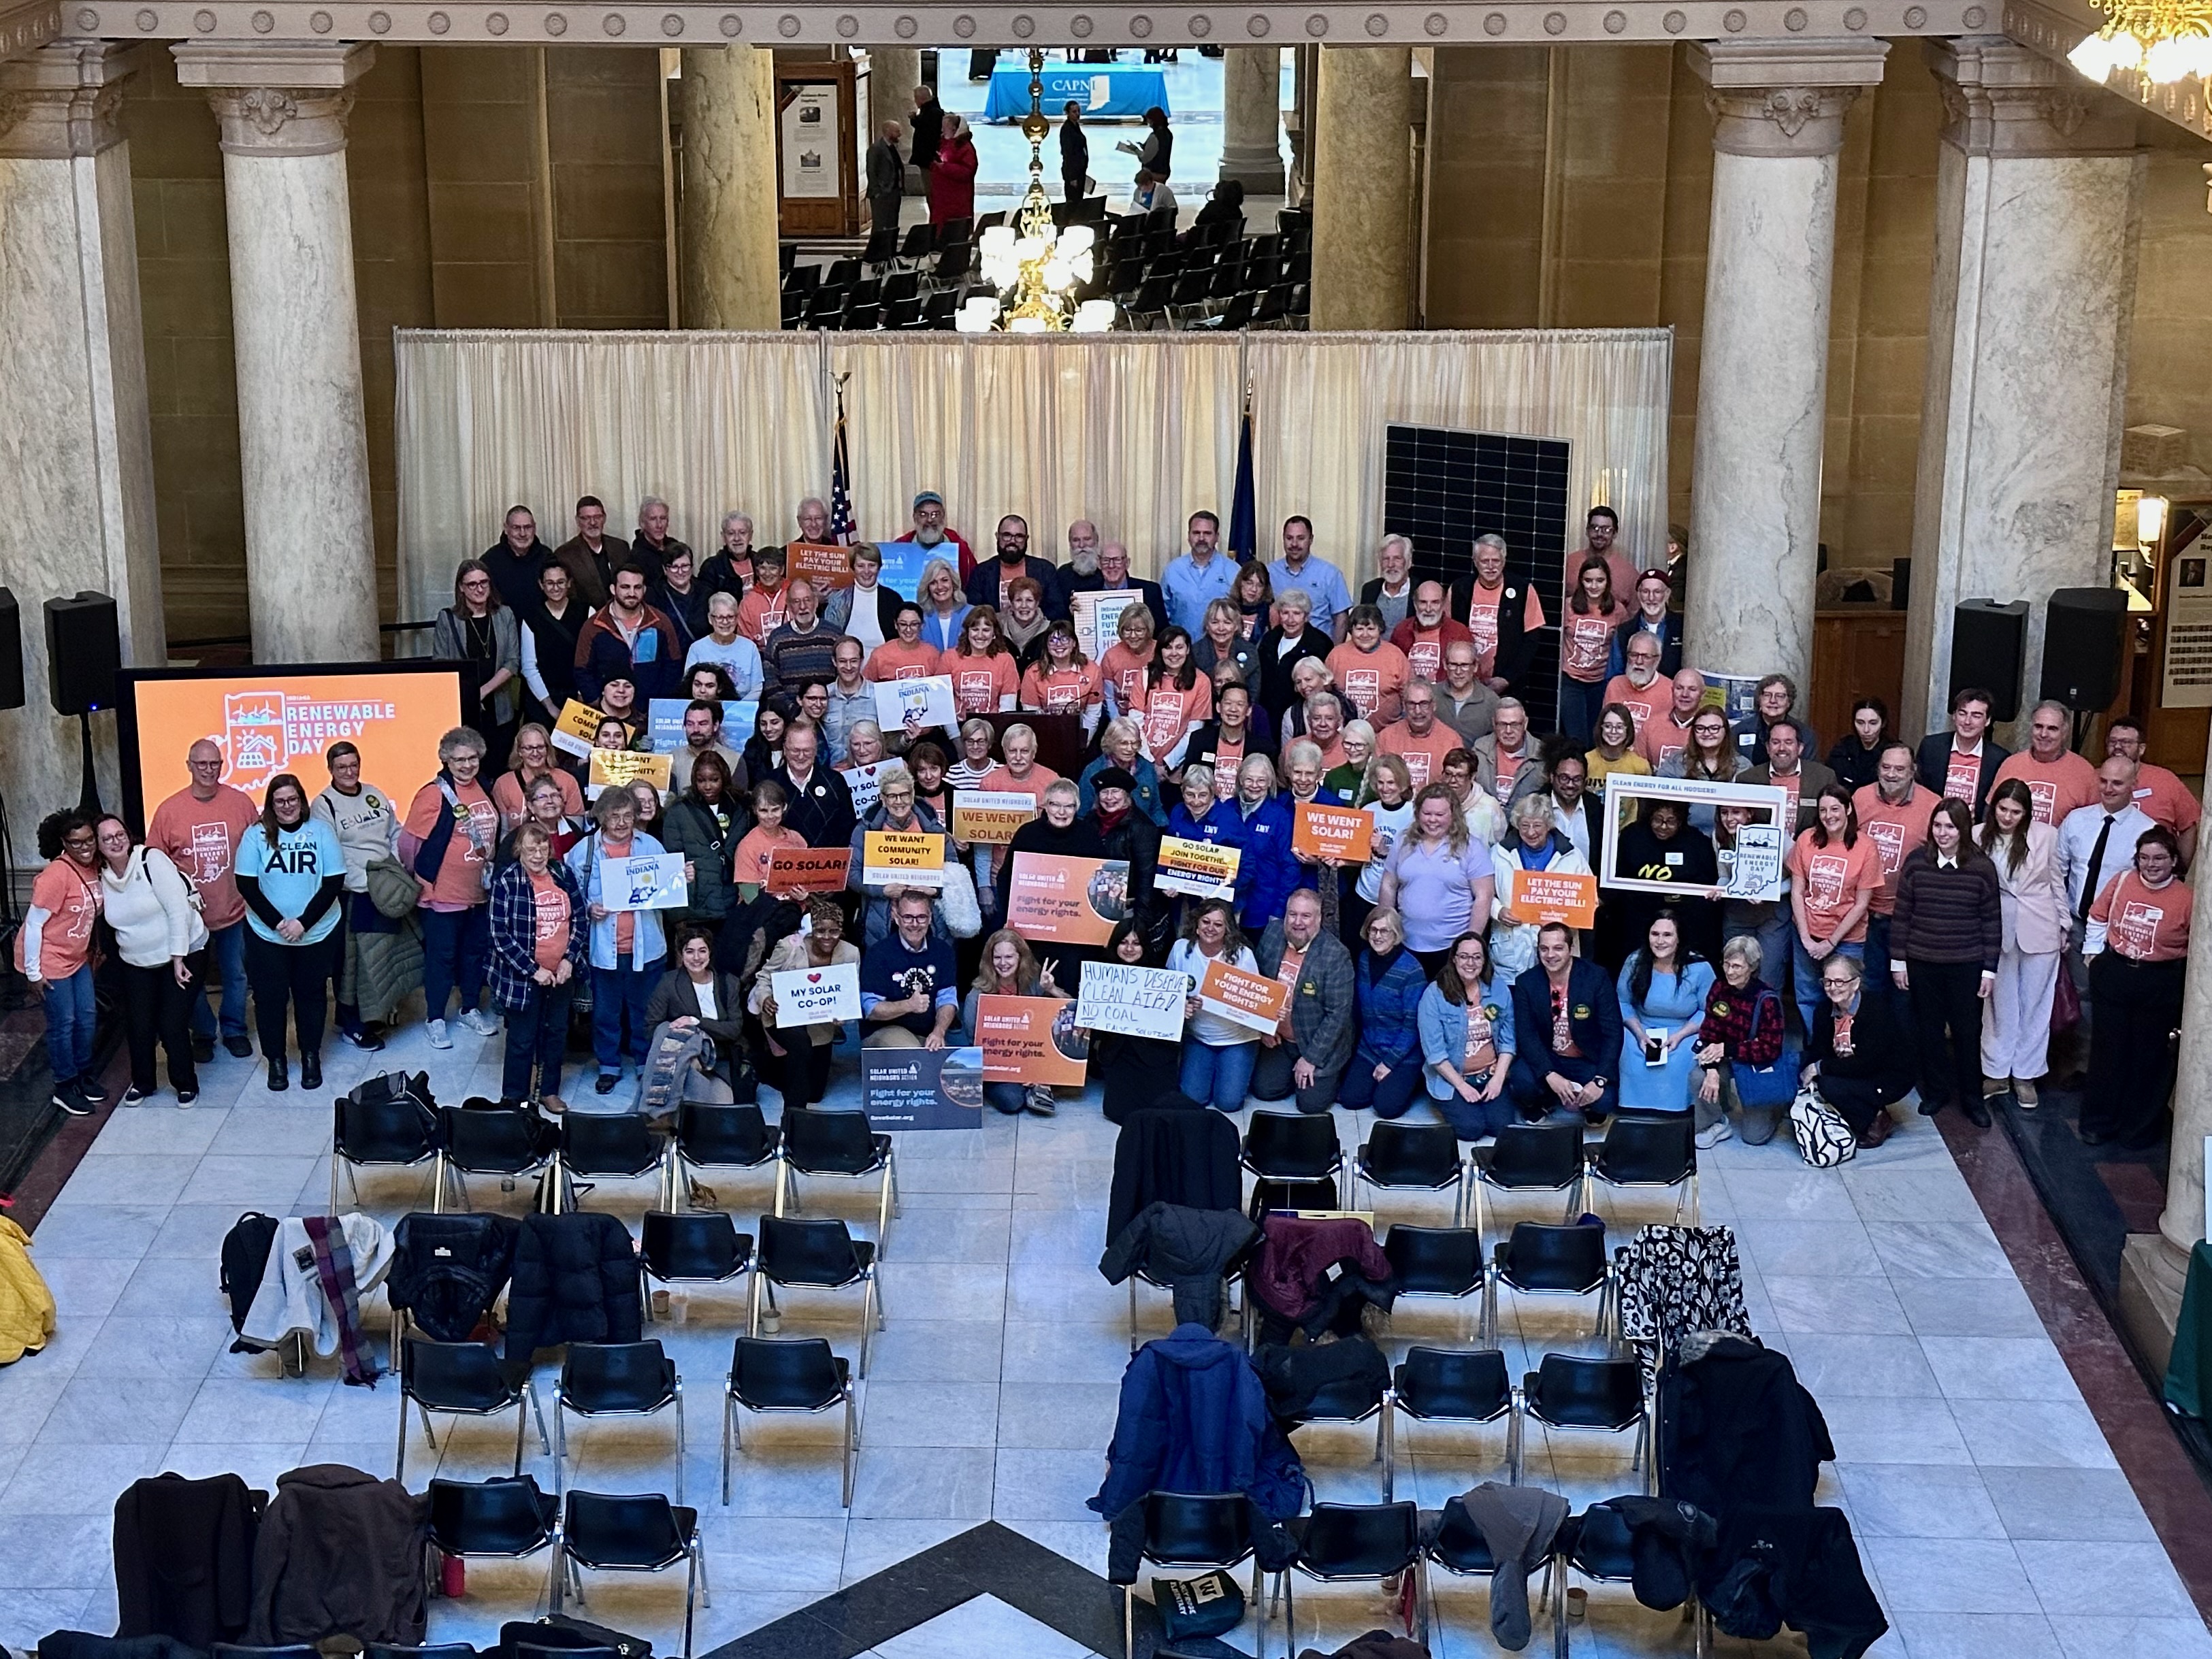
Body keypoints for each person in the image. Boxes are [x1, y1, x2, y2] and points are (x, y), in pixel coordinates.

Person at [1890, 799, 2003, 1126]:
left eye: (1950, 827)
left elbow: (1992, 921)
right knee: (1929, 1031)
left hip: (1966, 964)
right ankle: (1937, 1092)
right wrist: (1899, 962)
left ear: (1963, 830)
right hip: (1923, 961)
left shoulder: (1982, 867)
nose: (1943, 833)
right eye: (1938, 826)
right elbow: (1902, 915)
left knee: (1968, 1033)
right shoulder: (1916, 863)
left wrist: (1989, 968)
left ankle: (1972, 1098)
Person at [149, 740, 261, 1060]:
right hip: (188, 918)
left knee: (236, 975)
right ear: (189, 765)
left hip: (235, 909)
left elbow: (258, 850)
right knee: (191, 981)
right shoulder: (169, 811)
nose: (209, 770)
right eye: (202, 764)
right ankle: (203, 1033)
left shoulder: (241, 803)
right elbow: (154, 862)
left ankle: (235, 1030)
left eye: (215, 764)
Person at [235, 774, 346, 1093]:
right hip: (267, 935)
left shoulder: (321, 832)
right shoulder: (256, 836)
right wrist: (279, 924)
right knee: (270, 999)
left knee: (311, 996)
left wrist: (302, 924)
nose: (287, 806)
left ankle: (311, 1056)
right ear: (271, 804)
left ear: (302, 800)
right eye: (280, 801)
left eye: (292, 800)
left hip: (316, 933)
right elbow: (246, 885)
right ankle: (276, 1061)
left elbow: (333, 882)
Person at [2082, 825, 2192, 1145]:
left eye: (2159, 858)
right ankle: (2099, 1123)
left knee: (2149, 1057)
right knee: (2107, 1053)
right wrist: (2092, 955)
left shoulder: (2187, 900)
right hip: (2116, 974)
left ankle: (2137, 1131)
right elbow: (2097, 915)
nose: (2151, 864)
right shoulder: (2121, 883)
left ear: (2174, 860)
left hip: (2160, 982)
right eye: (2144, 857)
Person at [95, 815, 205, 1108]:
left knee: (172, 1023)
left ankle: (185, 1083)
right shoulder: (100, 877)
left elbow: (178, 911)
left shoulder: (151, 860)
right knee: (138, 1025)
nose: (116, 842)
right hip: (135, 961)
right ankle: (143, 1083)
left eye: (120, 834)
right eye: (107, 838)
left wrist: (179, 958)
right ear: (98, 846)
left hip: (182, 954)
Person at [401, 727, 502, 1047]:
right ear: (445, 759)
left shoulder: (485, 787)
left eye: (472, 758)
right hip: (442, 894)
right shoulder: (433, 793)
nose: (467, 765)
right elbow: (409, 844)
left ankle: (469, 1008)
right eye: (459, 759)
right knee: (441, 959)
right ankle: (435, 1018)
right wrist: (423, 882)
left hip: (479, 892)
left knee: (474, 954)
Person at [567, 786, 671, 1094]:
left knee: (644, 1011)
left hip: (647, 947)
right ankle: (609, 1066)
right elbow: (571, 898)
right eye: (615, 816)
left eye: (628, 815)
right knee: (605, 1013)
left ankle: (644, 1063)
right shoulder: (583, 851)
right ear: (601, 817)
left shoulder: (650, 845)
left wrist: (678, 879)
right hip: (604, 949)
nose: (623, 822)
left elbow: (668, 893)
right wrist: (589, 908)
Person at [487, 821, 587, 1108]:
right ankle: (515, 1097)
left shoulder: (563, 874)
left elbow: (580, 919)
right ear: (520, 850)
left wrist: (569, 959)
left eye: (543, 848)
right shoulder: (507, 882)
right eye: (531, 848)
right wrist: (534, 970)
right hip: (522, 977)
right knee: (522, 1038)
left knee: (556, 1034)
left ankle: (548, 1091)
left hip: (561, 975)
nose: (538, 854)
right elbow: (499, 935)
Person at [1978, 778, 2066, 1108]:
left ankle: (2025, 1075)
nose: (2008, 816)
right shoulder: (1977, 836)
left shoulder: (2046, 836)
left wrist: (2064, 925)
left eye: (2016, 811)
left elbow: (2057, 881)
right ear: (1994, 806)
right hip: (1995, 929)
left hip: (2040, 925)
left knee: (2035, 1005)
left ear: (2027, 813)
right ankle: (1997, 1072)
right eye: (2003, 808)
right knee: (1999, 1005)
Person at [312, 739, 404, 1051]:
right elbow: (331, 852)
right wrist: (364, 882)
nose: (349, 772)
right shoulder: (324, 804)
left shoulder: (375, 794)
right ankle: (351, 1022)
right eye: (341, 768)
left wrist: (393, 871)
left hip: (384, 887)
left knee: (382, 958)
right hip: (354, 893)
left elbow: (395, 833)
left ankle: (376, 1013)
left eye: (353, 765)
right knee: (353, 963)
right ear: (330, 770)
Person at [17, 812, 104, 1115]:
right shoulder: (56, 875)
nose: (85, 847)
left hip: (76, 957)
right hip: (49, 958)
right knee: (63, 1023)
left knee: (88, 1016)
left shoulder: (95, 867)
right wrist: (33, 972)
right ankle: (65, 1086)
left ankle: (83, 1075)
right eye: (75, 843)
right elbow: (34, 925)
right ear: (63, 844)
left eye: (90, 840)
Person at [1785, 786, 1883, 1038]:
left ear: (1849, 809)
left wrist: (1831, 942)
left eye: (1835, 809)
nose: (1829, 816)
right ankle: (1815, 1050)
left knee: (1844, 997)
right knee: (1808, 996)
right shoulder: (1807, 839)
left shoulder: (1866, 847)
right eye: (1823, 810)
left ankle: (1844, 1051)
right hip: (1806, 934)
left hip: (1847, 940)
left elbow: (1862, 903)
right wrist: (1807, 938)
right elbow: (1797, 892)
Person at [1250, 888, 1356, 1114]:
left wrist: (1310, 1059)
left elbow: (1338, 1015)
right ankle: (1290, 1071)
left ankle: (1329, 1074)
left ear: (1318, 919)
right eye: (1293, 914)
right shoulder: (1271, 934)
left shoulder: (1336, 955)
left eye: (1306, 916)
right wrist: (1264, 1028)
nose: (1298, 922)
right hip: (1279, 1038)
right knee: (1264, 1090)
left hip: (1316, 1040)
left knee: (1310, 1105)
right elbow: (1258, 984)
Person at [751, 898, 861, 1107]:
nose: (827, 937)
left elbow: (849, 992)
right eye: (820, 931)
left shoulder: (850, 953)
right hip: (783, 1018)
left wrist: (844, 1015)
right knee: (801, 1046)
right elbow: (764, 977)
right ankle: (794, 1113)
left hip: (821, 1026)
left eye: (834, 931)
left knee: (815, 1093)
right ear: (812, 930)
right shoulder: (789, 946)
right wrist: (765, 998)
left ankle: (762, 1066)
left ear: (841, 931)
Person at [1508, 921, 1621, 1123]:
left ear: (1571, 949)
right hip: (1549, 1056)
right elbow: (1527, 1035)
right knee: (1522, 1082)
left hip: (1585, 1058)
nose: (1550, 955)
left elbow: (1613, 1032)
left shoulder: (1596, 977)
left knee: (1606, 1101)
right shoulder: (1526, 982)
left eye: (1558, 948)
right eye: (1544, 949)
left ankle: (1584, 1102)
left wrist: (1600, 1079)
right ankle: (1547, 1100)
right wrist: (1549, 1074)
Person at [1377, 783, 1495, 974]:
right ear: (1418, 813)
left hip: (1450, 948)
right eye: (1427, 813)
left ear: (1453, 815)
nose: (1432, 820)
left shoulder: (1472, 847)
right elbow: (1389, 884)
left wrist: (1470, 943)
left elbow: (1484, 896)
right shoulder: (1403, 841)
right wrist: (1386, 928)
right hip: (1405, 943)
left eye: (1440, 815)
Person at [1801, 953, 1914, 1148]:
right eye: (1828, 982)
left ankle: (1877, 1119)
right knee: (1813, 1073)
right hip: (1853, 1068)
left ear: (1855, 983)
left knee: (1829, 1084)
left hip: (1887, 1076)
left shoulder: (1876, 1009)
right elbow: (1820, 1050)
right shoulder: (1823, 1010)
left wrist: (1819, 1068)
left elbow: (1869, 1063)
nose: (1833, 988)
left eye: (1840, 982)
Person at [1079, 918, 1184, 1123]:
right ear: (1115, 944)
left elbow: (1171, 1023)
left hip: (1155, 1054)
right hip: (1118, 1053)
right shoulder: (1101, 974)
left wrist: (1184, 1009)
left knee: (1160, 1111)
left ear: (1144, 946)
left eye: (1136, 943)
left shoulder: (1161, 977)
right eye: (1124, 942)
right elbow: (1094, 1025)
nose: (1129, 949)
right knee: (1118, 1112)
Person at [1416, 930, 1518, 1139]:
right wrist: (1462, 1086)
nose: (1470, 963)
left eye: (1477, 957)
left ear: (1484, 960)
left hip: (1490, 1073)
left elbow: (1508, 1041)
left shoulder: (1498, 989)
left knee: (1502, 1129)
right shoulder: (1434, 995)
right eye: (1464, 956)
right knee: (1471, 1129)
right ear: (1454, 959)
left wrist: (1498, 1077)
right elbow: (1434, 1053)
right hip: (1451, 1078)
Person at [1167, 898, 1262, 1111]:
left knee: (1228, 1103)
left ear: (1228, 929)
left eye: (1218, 924)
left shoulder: (1243, 956)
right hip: (1198, 1037)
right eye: (1206, 922)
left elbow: (1256, 1004)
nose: (1211, 928)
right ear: (1197, 925)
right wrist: (1184, 1005)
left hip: (1237, 1038)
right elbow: (1169, 993)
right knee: (1193, 1100)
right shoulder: (1181, 949)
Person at [1691, 935, 1786, 1149]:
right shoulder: (1719, 988)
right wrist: (1712, 1069)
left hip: (1754, 1062)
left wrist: (1728, 1049)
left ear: (1752, 968)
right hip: (1724, 1056)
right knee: (1699, 1076)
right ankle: (1716, 1121)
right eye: (1727, 964)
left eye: (1737, 966)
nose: (1730, 971)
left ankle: (1776, 1108)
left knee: (1754, 1137)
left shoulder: (1767, 999)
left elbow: (1771, 1048)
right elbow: (1709, 1032)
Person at [1489, 790, 1593, 985]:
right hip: (1511, 949)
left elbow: (1589, 900)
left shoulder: (1571, 856)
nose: (1531, 832)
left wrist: (1568, 916)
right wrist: (1498, 911)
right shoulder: (1500, 853)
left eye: (1537, 826)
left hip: (1557, 950)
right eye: (1524, 826)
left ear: (1549, 826)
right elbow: (1483, 894)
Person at [1333, 907, 1427, 1119]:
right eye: (1373, 930)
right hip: (1370, 1047)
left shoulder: (1412, 971)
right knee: (1350, 1099)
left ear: (1396, 935)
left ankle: (1413, 1081)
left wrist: (1389, 1064)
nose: (1377, 936)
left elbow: (1412, 1026)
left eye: (1385, 931)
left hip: (1403, 1052)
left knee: (1386, 1108)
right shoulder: (1364, 959)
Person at [962, 929, 1068, 1115]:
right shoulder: (977, 995)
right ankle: (1033, 1088)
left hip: (1033, 1055)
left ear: (1021, 957)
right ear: (990, 960)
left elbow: (1070, 1012)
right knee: (1011, 1102)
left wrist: (1052, 989)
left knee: (1066, 1074)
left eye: (1009, 957)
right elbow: (973, 1042)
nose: (1003, 963)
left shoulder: (1034, 982)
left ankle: (1038, 1085)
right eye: (997, 958)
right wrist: (1016, 1072)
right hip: (997, 1064)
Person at [1616, 915, 1715, 1114]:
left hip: (1685, 1029)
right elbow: (1623, 1002)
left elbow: (1709, 1011)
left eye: (1667, 935)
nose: (1660, 941)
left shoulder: (1700, 967)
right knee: (1626, 1049)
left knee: (1683, 1056)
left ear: (1679, 939)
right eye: (1655, 934)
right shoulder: (1635, 962)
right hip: (1640, 1026)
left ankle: (1679, 1110)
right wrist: (1639, 1034)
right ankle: (1633, 1109)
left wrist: (1679, 1036)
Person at [1612, 798, 1721, 966]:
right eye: (1658, 820)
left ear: (1681, 821)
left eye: (1671, 822)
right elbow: (1618, 878)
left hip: (1685, 915)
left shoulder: (1698, 843)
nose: (1663, 827)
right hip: (1640, 915)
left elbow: (1709, 883)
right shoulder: (1632, 837)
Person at [646, 924, 750, 1089]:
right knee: (687, 1069)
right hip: (681, 1052)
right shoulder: (668, 983)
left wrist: (695, 1022)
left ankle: (657, 1110)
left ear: (710, 953)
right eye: (689, 951)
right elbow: (652, 1028)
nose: (696, 958)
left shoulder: (729, 983)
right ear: (681, 954)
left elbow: (734, 1029)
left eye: (702, 951)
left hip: (720, 1053)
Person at [862, 889, 962, 1049]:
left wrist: (939, 1031)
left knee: (945, 1065)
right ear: (896, 917)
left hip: (928, 1033)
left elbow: (947, 999)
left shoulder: (943, 951)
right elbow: (871, 1010)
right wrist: (909, 1005)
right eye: (908, 917)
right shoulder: (878, 953)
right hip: (885, 1030)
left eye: (921, 917)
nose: (915, 924)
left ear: (930, 918)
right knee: (911, 1052)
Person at [574, 563, 682, 703]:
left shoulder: (661, 622)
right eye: (625, 587)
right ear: (613, 589)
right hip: (608, 715)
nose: (632, 593)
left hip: (651, 710)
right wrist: (598, 703)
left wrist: (659, 703)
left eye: (637, 587)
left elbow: (674, 665)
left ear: (644, 590)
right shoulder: (594, 626)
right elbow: (582, 670)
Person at [1089, 766, 1167, 957]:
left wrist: (1139, 924)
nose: (1109, 797)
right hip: (1098, 906)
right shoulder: (1091, 821)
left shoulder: (1143, 827)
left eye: (1115, 792)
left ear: (1127, 795)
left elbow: (1146, 879)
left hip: (1129, 911)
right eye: (1104, 792)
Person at [662, 751, 743, 932]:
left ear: (724, 778)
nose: (708, 786)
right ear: (694, 780)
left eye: (714, 780)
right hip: (697, 905)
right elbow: (673, 863)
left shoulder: (741, 807)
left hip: (734, 899)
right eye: (701, 780)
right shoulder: (678, 812)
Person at [2105, 716, 2201, 862]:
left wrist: (2180, 870)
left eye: (2126, 742)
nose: (2118, 747)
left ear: (2141, 749)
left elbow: (2188, 826)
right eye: (2113, 742)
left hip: (2152, 870)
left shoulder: (2166, 780)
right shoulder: (2094, 778)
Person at [1343, 754, 1415, 947]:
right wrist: (1343, 861)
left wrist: (1386, 851)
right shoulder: (1369, 810)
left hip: (1399, 900)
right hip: (1364, 894)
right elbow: (1360, 856)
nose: (1385, 788)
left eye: (1391, 782)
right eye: (1381, 782)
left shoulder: (1414, 813)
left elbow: (1419, 860)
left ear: (1402, 783)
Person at [1992, 700, 2099, 828]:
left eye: (2052, 729)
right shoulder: (2011, 764)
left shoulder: (2085, 772)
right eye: (2039, 727)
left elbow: (2094, 823)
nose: (2043, 734)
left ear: (2064, 733)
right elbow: (1991, 812)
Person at [1557, 557, 1630, 741]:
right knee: (1576, 738)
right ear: (1581, 581)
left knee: (1598, 737)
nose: (1594, 586)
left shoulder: (1618, 610)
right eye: (1588, 580)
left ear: (1608, 581)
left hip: (1602, 682)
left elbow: (1623, 646)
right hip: (1571, 681)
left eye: (1600, 580)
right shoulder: (1567, 606)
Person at [1461, 533, 1544, 693]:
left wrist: (1508, 678)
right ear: (1475, 562)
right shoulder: (1460, 590)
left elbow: (1531, 641)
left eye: (1496, 561)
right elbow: (1450, 634)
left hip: (1508, 686)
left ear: (1504, 560)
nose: (1491, 566)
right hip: (1464, 684)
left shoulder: (1523, 590)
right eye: (1485, 561)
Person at [1915, 686, 2008, 816]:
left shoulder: (1999, 759)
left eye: (1976, 716)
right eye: (1962, 713)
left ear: (1987, 721)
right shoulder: (1931, 747)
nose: (1967, 721)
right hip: (1933, 823)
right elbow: (1918, 790)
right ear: (1954, 716)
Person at [520, 558, 590, 723]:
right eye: (550, 583)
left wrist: (580, 700)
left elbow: (590, 660)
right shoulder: (531, 617)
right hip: (541, 699)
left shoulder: (586, 611)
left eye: (561, 582)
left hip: (579, 696)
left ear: (569, 583)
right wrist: (550, 706)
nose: (555, 588)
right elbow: (529, 667)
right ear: (541, 585)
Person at [771, 721, 858, 851]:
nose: (801, 756)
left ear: (816, 749)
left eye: (807, 751)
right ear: (785, 749)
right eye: (795, 751)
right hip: (783, 864)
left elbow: (848, 827)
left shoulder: (835, 781)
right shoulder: (770, 782)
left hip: (828, 864)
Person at [1254, 588, 1332, 726]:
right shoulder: (1270, 639)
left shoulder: (1319, 644)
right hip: (1267, 714)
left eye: (1296, 613)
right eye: (1285, 613)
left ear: (1306, 617)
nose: (1290, 619)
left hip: (1300, 717)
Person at [1324, 604, 1409, 728]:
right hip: (1344, 735)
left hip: (1386, 735)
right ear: (1351, 630)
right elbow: (1325, 693)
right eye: (1359, 629)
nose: (1365, 635)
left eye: (1370, 629)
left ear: (1380, 629)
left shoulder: (1395, 655)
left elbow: (1408, 696)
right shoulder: (1336, 655)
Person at [1267, 516, 1352, 638]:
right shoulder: (1270, 572)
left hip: (1319, 651)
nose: (1294, 544)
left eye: (1301, 538)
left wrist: (1333, 655)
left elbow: (1342, 619)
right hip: (1278, 649)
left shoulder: (1330, 574)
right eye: (1289, 538)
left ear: (1311, 539)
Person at [1138, 627, 1211, 767]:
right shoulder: (1144, 676)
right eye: (1168, 648)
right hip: (1143, 761)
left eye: (1179, 647)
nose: (1174, 653)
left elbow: (1194, 731)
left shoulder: (1201, 681)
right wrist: (1150, 762)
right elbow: (1135, 724)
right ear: (1160, 651)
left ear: (1188, 649)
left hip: (1179, 765)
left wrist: (1167, 764)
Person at [491, 725, 585, 832]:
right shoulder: (504, 783)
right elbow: (504, 831)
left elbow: (575, 829)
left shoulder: (567, 781)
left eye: (540, 747)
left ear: (548, 749)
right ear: (519, 752)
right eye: (529, 748)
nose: (535, 753)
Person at [1063, 541, 1169, 636]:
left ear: (1127, 563)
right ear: (1099, 564)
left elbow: (1161, 633)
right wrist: (1074, 616)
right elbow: (1073, 635)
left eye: (1117, 560)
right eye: (1106, 560)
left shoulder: (1150, 592)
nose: (1111, 565)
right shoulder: (1085, 594)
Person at [760, 578, 843, 698]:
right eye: (796, 602)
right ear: (789, 606)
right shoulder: (777, 638)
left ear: (816, 602)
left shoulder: (834, 635)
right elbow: (771, 681)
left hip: (828, 710)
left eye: (807, 600)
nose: (803, 607)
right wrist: (790, 711)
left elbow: (843, 676)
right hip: (789, 714)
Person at [1162, 510, 1237, 638]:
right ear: (1189, 536)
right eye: (1196, 533)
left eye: (1207, 533)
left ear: (1217, 537)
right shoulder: (1173, 570)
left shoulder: (1233, 571)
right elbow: (1164, 615)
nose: (1201, 538)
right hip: (1182, 651)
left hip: (1221, 650)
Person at [1079, 717, 1167, 823]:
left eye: (1134, 743)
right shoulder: (1093, 771)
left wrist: (1162, 832)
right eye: (1124, 743)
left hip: (1142, 834)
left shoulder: (1147, 769)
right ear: (1110, 743)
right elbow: (1082, 814)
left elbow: (1155, 808)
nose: (1130, 749)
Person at [685, 591, 766, 702]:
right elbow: (690, 686)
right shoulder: (697, 649)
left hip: (742, 711)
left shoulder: (750, 648)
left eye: (730, 617)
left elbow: (757, 688)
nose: (725, 622)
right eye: (720, 617)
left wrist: (737, 709)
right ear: (710, 619)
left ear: (737, 618)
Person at [1606, 568, 1682, 678]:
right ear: (1639, 595)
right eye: (1646, 592)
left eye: (1657, 592)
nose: (1651, 598)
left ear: (1667, 594)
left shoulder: (1682, 628)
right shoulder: (1625, 631)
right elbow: (1614, 676)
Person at [552, 493, 627, 607]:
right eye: (586, 518)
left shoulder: (620, 547)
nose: (593, 523)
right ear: (577, 521)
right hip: (586, 619)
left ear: (604, 518)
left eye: (597, 517)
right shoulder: (565, 555)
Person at [1736, 673, 1819, 769]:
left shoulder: (1805, 734)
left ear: (1789, 702)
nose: (1773, 700)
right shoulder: (1739, 731)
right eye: (1767, 695)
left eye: (1780, 696)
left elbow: (1811, 772)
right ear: (1759, 699)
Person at [1599, 634, 1667, 742]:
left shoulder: (1670, 690)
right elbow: (1604, 727)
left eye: (1646, 657)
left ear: (1657, 659)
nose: (1639, 661)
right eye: (1634, 655)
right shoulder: (1615, 685)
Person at [1473, 699, 1540, 808]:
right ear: (1494, 724)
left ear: (1525, 723)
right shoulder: (1479, 751)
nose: (1508, 731)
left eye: (1514, 724)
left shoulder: (1541, 756)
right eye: (1502, 724)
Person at [1634, 668, 1706, 771]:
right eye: (1679, 688)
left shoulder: (1710, 730)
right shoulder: (1651, 725)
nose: (1685, 694)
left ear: (1703, 694)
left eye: (1692, 689)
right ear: (1672, 691)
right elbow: (1638, 768)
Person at [1435, 641, 1499, 746]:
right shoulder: (1432, 695)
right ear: (1445, 665)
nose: (1458, 671)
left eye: (1464, 665)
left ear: (1475, 667)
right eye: (1453, 664)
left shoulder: (1491, 701)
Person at [1587, 704, 1653, 806]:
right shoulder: (1587, 761)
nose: (1613, 732)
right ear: (1600, 728)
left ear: (1628, 729)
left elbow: (1646, 805)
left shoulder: (1641, 766)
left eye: (1619, 727)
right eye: (1608, 726)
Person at [1827, 698, 1891, 795]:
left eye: (1873, 723)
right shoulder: (1842, 750)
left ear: (1883, 723)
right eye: (1860, 723)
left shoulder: (1892, 752)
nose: (1866, 730)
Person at [1194, 596, 1260, 686]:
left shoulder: (1250, 651)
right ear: (1207, 626)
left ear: (1236, 626)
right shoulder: (1195, 653)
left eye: (1227, 623)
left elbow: (1253, 692)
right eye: (1215, 622)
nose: (1221, 628)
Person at [928, 113, 979, 226]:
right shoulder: (944, 143)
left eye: (945, 127)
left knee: (954, 229)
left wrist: (944, 167)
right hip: (942, 198)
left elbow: (967, 171)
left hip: (957, 199)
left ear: (954, 128)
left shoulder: (965, 147)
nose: (942, 130)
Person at [628, 495, 691, 584]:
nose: (659, 525)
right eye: (653, 519)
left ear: (668, 522)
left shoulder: (674, 546)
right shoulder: (636, 557)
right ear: (642, 523)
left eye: (663, 518)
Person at [736, 544, 791, 644]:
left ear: (782, 570)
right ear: (757, 572)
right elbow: (744, 642)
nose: (767, 573)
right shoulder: (748, 603)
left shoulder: (793, 594)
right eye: (763, 568)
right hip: (760, 656)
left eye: (773, 568)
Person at [698, 509, 757, 599]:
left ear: (751, 535)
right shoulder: (711, 567)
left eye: (742, 533)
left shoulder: (760, 561)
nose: (737, 538)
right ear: (723, 537)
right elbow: (705, 604)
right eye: (731, 533)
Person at [866, 118, 905, 239]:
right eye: (897, 131)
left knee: (892, 223)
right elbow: (871, 171)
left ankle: (889, 248)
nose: (900, 134)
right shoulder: (876, 148)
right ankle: (877, 250)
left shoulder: (893, 148)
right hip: (882, 193)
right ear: (888, 131)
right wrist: (877, 191)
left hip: (894, 191)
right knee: (880, 223)